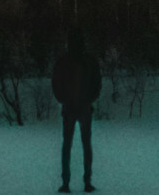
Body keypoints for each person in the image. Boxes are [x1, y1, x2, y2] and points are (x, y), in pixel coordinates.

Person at [52, 26, 101, 193]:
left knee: (69, 145)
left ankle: (67, 182)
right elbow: (97, 84)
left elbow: (56, 83)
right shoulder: (89, 60)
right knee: (84, 145)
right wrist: (88, 99)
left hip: (72, 107)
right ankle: (85, 181)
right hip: (81, 107)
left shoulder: (64, 61)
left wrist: (64, 100)